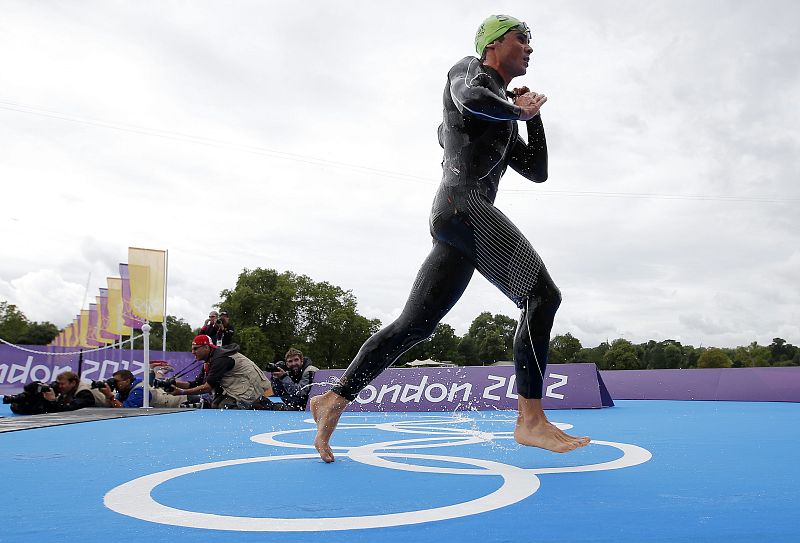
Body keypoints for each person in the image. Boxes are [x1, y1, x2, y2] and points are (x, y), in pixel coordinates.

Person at [311, 14, 590, 462]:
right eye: (523, 39)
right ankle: (531, 419)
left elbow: (536, 171)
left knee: (416, 326)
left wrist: (530, 117)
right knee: (543, 297)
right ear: (494, 44)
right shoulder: (469, 72)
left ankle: (335, 398)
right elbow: (470, 97)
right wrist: (518, 110)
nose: (531, 49)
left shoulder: (503, 109)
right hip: (464, 206)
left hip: (456, 220)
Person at [177, 335, 273, 409]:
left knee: (224, 407)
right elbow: (197, 383)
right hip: (240, 385)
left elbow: (207, 387)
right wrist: (173, 383)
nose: (192, 352)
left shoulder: (219, 359)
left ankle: (260, 404)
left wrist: (181, 392)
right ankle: (256, 402)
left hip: (251, 385)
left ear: (206, 347)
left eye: (196, 348)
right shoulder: (209, 359)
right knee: (215, 404)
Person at [41, 371, 108, 411]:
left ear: (73, 383)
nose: (59, 386)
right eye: (58, 384)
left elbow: (71, 410)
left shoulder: (84, 392)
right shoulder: (68, 390)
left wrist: (52, 401)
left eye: (62, 384)